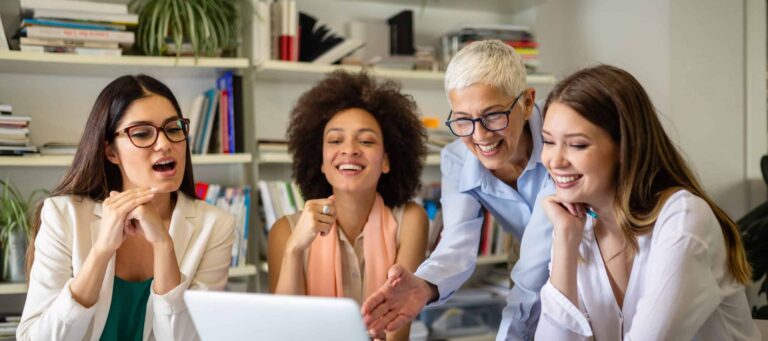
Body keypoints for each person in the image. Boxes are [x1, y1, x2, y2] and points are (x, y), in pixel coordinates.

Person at [535, 64, 759, 340]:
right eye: (547, 141)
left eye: (577, 145)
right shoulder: (577, 226)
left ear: (625, 147)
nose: (554, 161)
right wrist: (565, 239)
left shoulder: (683, 219)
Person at [362, 39, 555, 341]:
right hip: (525, 252)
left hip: (594, 245)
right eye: (463, 119)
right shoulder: (456, 158)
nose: (480, 135)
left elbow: (536, 262)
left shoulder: (560, 135)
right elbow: (457, 242)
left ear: (528, 103)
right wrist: (424, 285)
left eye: (493, 115)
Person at [17, 75, 235, 341]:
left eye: (174, 129)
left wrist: (164, 246)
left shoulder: (216, 225)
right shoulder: (62, 216)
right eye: (142, 133)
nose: (165, 143)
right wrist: (101, 251)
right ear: (110, 151)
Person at [267, 70, 430, 341]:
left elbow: (396, 336)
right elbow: (285, 332)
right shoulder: (285, 232)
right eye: (335, 140)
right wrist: (295, 250)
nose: (350, 149)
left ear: (387, 161)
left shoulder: (411, 220)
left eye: (366, 141)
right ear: (320, 161)